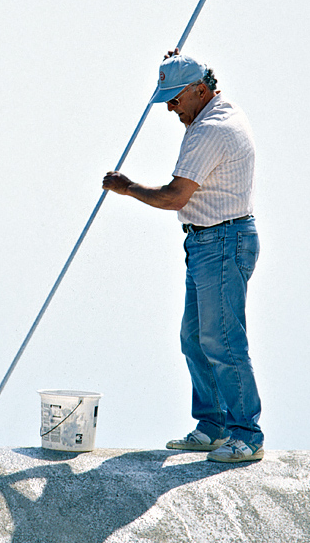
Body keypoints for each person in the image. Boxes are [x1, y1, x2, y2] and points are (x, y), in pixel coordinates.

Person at [102, 51, 263, 463]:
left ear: (200, 90)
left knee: (222, 341)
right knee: (194, 339)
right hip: (208, 242)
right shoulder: (216, 108)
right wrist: (180, 61)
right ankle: (213, 426)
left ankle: (246, 434)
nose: (171, 107)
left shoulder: (210, 130)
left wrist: (127, 187)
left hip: (222, 242)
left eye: (176, 98)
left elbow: (175, 197)